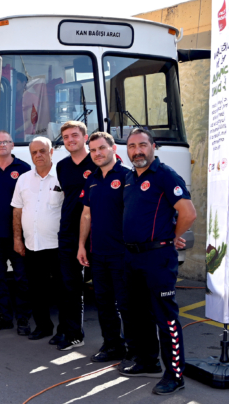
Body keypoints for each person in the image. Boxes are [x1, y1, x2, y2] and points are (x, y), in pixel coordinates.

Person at [118, 128, 196, 395]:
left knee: (165, 317)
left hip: (158, 258)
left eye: (142, 145)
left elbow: (188, 212)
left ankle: (175, 375)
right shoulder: (129, 178)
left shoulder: (165, 175)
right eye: (131, 146)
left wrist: (172, 237)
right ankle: (148, 361)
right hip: (132, 257)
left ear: (153, 147)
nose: (137, 151)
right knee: (139, 314)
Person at [76, 132, 132, 363]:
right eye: (93, 150)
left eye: (101, 148)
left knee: (127, 305)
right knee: (104, 303)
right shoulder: (92, 179)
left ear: (113, 148)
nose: (97, 153)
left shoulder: (128, 176)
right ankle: (112, 345)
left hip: (123, 253)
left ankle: (134, 350)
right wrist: (81, 245)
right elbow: (86, 215)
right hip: (98, 253)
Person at [0, 130, 32, 335]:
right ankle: (4, 317)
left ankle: (23, 319)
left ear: (12, 145)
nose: (2, 145)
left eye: (6, 142)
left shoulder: (24, 168)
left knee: (22, 279)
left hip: (18, 236)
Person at [11, 137, 64, 342]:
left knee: (62, 290)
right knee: (36, 289)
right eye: (34, 152)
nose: (38, 155)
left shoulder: (61, 177)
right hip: (32, 245)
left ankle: (64, 331)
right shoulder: (23, 179)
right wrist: (17, 239)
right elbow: (17, 211)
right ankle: (43, 326)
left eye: (43, 151)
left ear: (51, 152)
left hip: (58, 245)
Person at [53, 121, 93, 350]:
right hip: (69, 232)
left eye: (75, 135)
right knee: (69, 286)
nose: (70, 140)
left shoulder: (97, 161)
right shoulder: (62, 166)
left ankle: (117, 343)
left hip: (97, 233)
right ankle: (73, 335)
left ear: (85, 137)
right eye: (66, 137)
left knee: (109, 290)